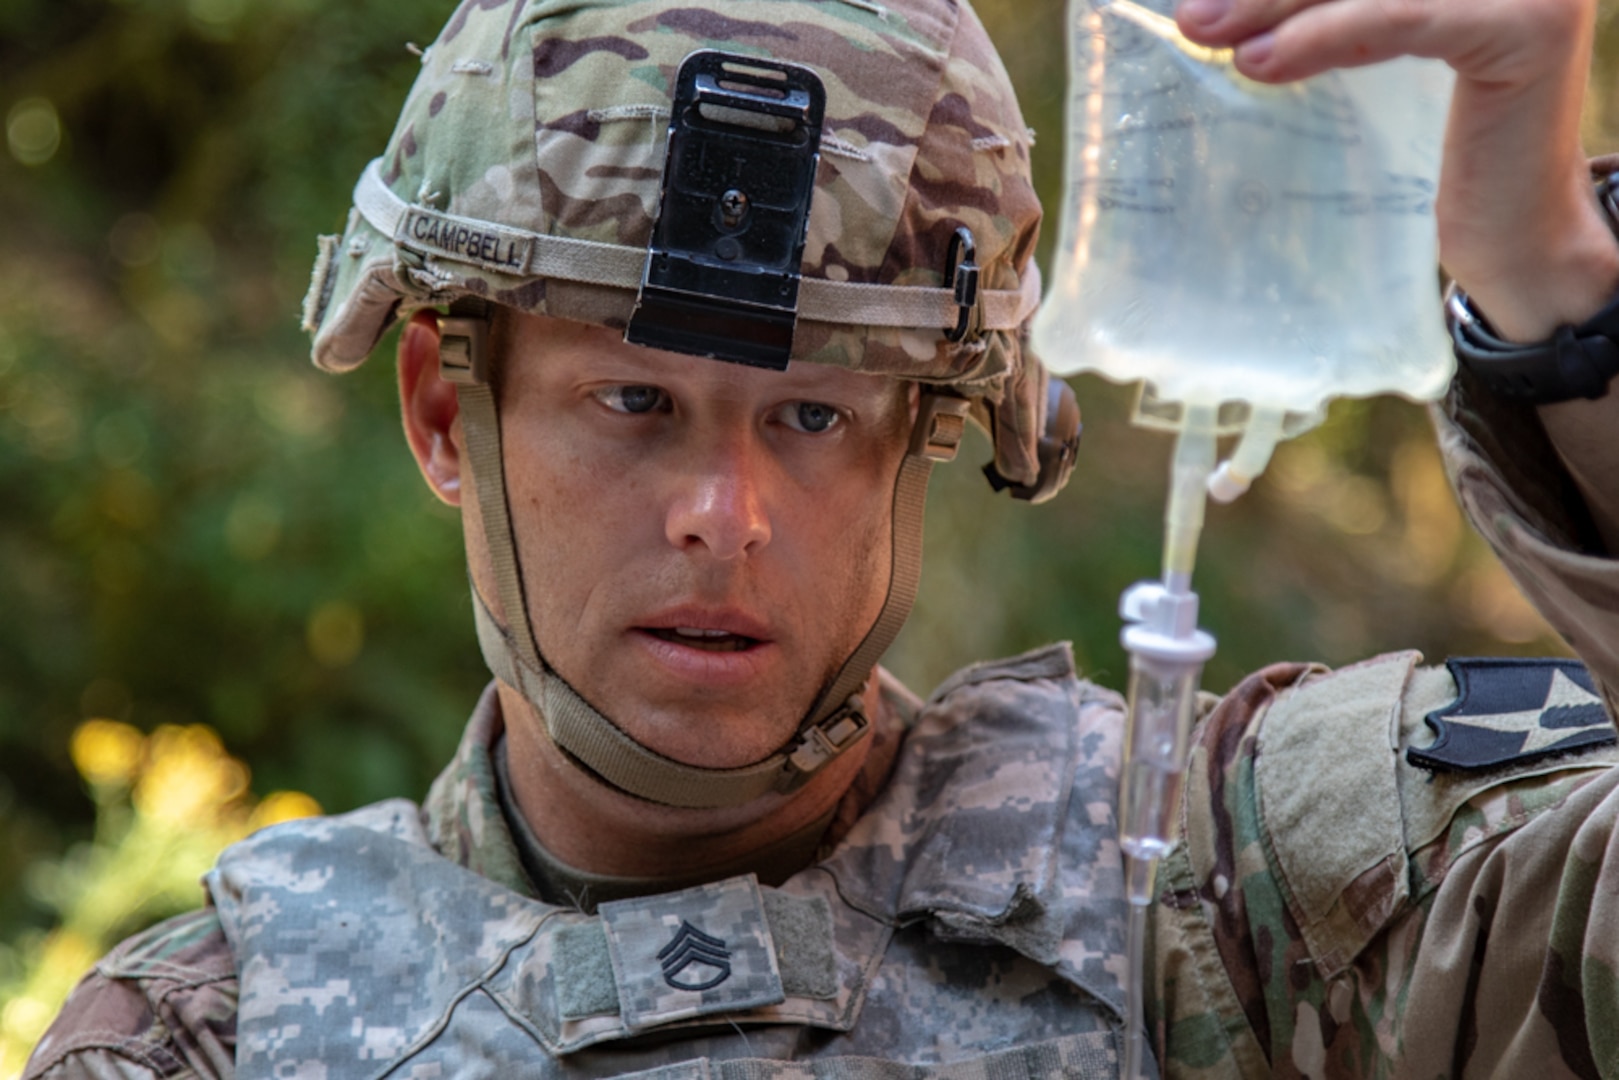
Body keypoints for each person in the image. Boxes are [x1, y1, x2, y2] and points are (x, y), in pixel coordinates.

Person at [21, 0, 1619, 1076]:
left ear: (933, 430)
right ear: (448, 413)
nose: (727, 517)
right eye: (635, 402)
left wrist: (1549, 270)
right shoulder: (213, 1034)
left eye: (812, 415)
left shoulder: (1226, 886)